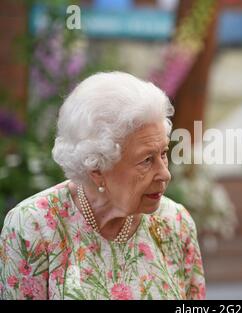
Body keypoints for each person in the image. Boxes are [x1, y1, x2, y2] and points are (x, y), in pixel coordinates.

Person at [0, 71, 206, 300]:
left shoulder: (176, 223)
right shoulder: (34, 225)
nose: (165, 174)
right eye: (147, 160)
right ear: (97, 168)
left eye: (164, 153)